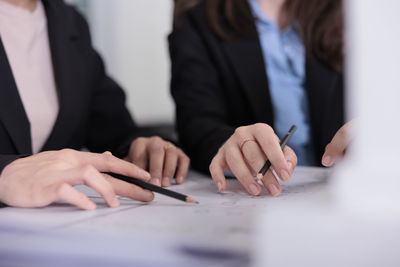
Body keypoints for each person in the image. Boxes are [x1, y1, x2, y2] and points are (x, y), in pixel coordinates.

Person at [0, 0, 190, 210]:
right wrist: (5, 173)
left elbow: (111, 131)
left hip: (58, 228)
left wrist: (140, 148)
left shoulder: (70, 22)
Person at [170, 0, 351, 196]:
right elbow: (197, 122)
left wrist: (379, 136)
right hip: (254, 198)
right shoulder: (197, 15)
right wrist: (230, 147)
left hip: (345, 192)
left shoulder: (352, 11)